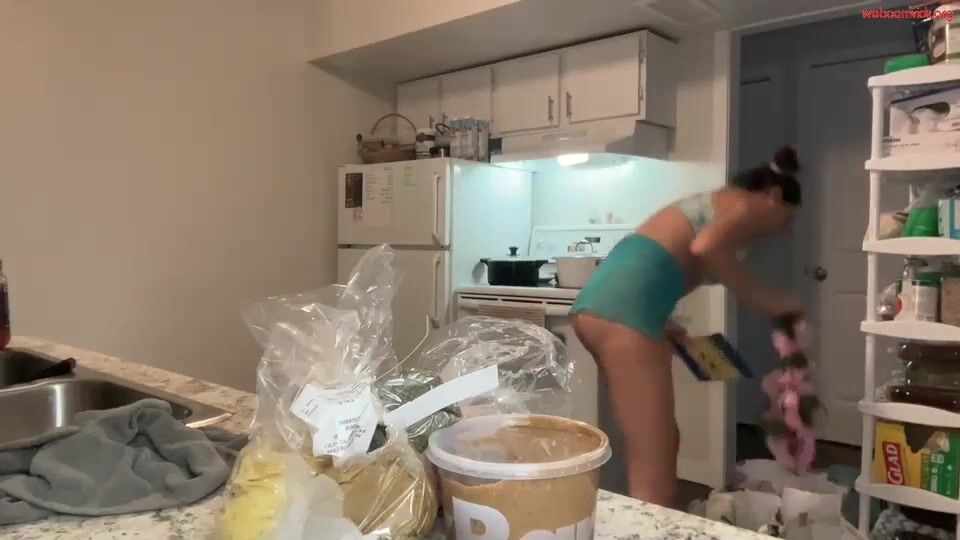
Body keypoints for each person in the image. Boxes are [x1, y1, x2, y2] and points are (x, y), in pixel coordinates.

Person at [570, 146, 804, 508]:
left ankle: (628, 518)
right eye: (786, 219)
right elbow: (706, 247)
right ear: (773, 195)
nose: (783, 230)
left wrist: (662, 322)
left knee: (656, 440)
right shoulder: (740, 204)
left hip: (610, 308)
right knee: (655, 463)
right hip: (624, 315)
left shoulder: (718, 203)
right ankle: (651, 528)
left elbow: (655, 259)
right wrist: (764, 298)